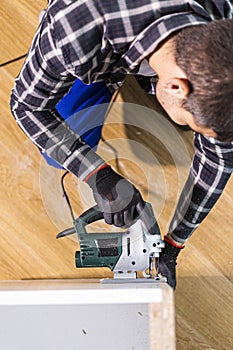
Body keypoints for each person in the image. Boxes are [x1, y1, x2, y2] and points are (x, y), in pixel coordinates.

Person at [10, 0, 233, 289]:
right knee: (56, 151)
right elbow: (27, 107)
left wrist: (174, 243)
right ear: (176, 86)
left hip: (136, 48)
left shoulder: (223, 15)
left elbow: (219, 157)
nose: (194, 131)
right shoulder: (76, 29)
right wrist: (96, 174)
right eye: (196, 127)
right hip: (95, 47)